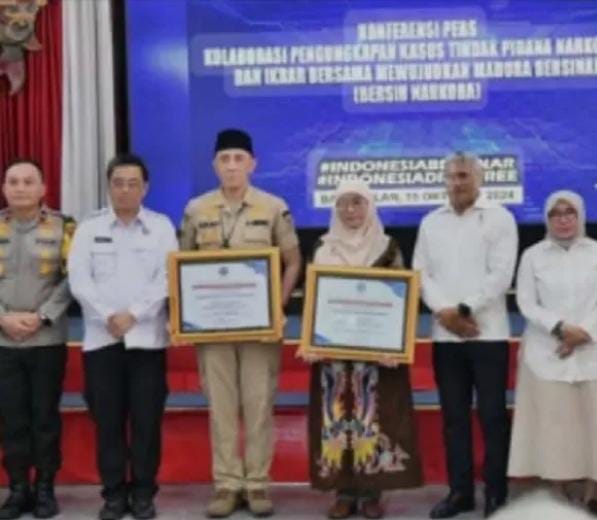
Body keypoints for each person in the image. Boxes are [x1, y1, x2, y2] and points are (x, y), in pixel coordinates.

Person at [179, 128, 302, 518]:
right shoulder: (196, 209)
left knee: (259, 403)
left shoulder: (273, 207)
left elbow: (293, 260)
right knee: (221, 406)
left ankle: (257, 483)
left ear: (253, 164)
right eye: (224, 159)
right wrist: (186, 314)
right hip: (212, 328)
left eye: (238, 159)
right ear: (214, 165)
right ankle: (227, 484)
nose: (231, 166)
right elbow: (182, 266)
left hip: (260, 328)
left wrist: (277, 305)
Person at [508, 190, 597, 517]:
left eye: (570, 213)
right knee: (555, 430)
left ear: (580, 216)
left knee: (596, 426)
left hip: (594, 351)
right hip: (548, 352)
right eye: (556, 214)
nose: (563, 220)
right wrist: (560, 329)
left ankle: (593, 497)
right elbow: (526, 302)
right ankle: (559, 495)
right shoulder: (532, 256)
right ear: (547, 218)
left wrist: (584, 333)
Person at [300, 180, 422, 520]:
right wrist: (311, 341)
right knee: (336, 419)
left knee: (377, 419)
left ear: (370, 206)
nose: (350, 210)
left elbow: (401, 298)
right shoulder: (322, 248)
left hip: (378, 355)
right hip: (333, 355)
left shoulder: (388, 247)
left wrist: (395, 344)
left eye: (358, 202)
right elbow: (313, 299)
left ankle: (371, 492)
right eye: (343, 203)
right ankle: (343, 492)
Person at [68, 154, 178, 520]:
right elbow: (78, 278)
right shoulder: (89, 227)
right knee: (108, 423)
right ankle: (113, 494)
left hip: (147, 341)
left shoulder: (161, 227)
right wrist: (107, 316)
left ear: (145, 188)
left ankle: (144, 492)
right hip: (102, 341)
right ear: (109, 186)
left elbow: (168, 278)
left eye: (133, 183)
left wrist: (134, 314)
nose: (125, 190)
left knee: (147, 423)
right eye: (118, 183)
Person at [412, 151, 518, 518]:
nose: (457, 183)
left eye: (464, 176)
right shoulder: (431, 222)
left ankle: (496, 493)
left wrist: (462, 310)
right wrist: (446, 314)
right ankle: (460, 493)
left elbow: (500, 276)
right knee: (453, 418)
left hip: (488, 335)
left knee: (492, 416)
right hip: (445, 338)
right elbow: (421, 274)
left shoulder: (501, 218)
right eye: (452, 176)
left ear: (479, 179)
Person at [0, 159, 74, 520]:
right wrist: (3, 318)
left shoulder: (64, 228)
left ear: (43, 188)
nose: (20, 188)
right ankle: (17, 489)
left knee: (44, 418)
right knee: (11, 419)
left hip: (46, 339)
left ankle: (45, 488)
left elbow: (73, 278)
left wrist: (43, 316)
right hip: (3, 341)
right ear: (4, 188)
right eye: (13, 181)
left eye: (28, 181)